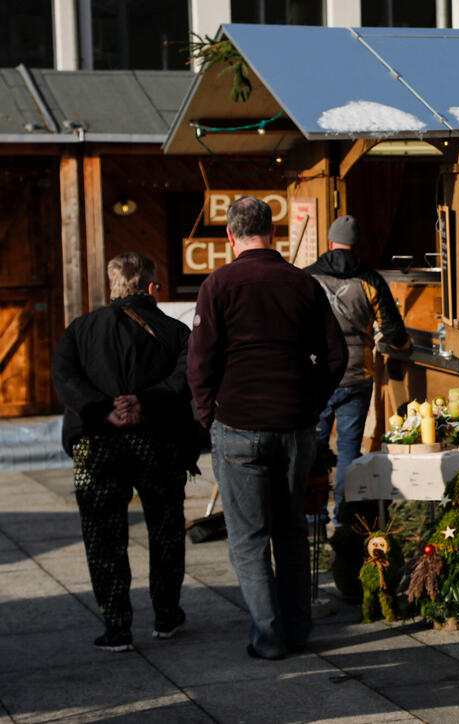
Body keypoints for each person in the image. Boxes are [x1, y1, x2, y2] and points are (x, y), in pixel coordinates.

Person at [187, 196, 347, 660]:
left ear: (230, 236)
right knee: (290, 531)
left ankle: (269, 636)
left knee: (249, 538)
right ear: (273, 234)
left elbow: (200, 362)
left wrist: (206, 415)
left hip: (237, 422)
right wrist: (310, 402)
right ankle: (297, 630)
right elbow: (335, 356)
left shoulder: (218, 284)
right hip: (294, 424)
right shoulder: (302, 284)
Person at [52, 252, 198, 652]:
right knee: (166, 530)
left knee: (102, 536)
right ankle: (167, 616)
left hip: (97, 443)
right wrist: (142, 403)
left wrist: (104, 410)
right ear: (152, 287)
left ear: (111, 287)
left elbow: (65, 377)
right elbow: (185, 378)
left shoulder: (79, 330)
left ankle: (116, 626)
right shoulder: (175, 331)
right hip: (158, 442)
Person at [305, 215, 410, 526]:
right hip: (356, 374)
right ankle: (345, 518)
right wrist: (404, 348)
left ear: (329, 243)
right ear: (357, 245)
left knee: (314, 445)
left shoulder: (307, 278)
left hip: (316, 375)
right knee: (350, 448)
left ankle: (313, 515)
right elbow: (394, 333)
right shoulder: (371, 279)